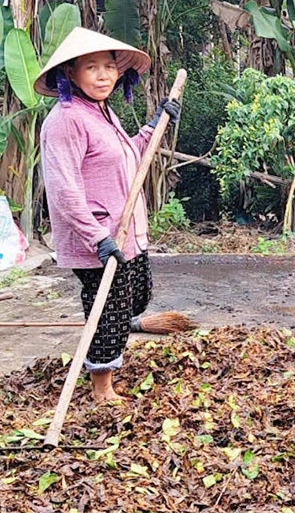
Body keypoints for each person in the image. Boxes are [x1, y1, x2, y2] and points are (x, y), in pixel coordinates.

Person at [35, 27, 180, 402]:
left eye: (109, 67)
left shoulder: (100, 110)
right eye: (91, 67)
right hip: (96, 236)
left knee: (139, 294)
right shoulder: (66, 120)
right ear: (70, 74)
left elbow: (126, 155)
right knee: (107, 306)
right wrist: (96, 237)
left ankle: (116, 326)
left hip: (126, 230)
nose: (103, 75)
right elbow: (64, 189)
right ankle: (103, 388)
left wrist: (154, 127)